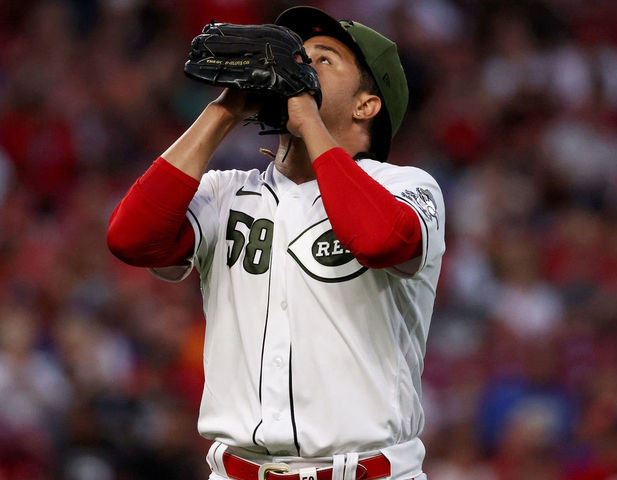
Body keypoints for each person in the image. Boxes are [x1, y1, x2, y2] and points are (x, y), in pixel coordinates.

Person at [107, 6, 445, 480]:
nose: (297, 66)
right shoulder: (225, 191)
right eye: (294, 56)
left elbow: (380, 238)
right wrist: (224, 110)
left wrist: (306, 115)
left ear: (366, 105)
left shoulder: (406, 186)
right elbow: (130, 239)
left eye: (321, 60)